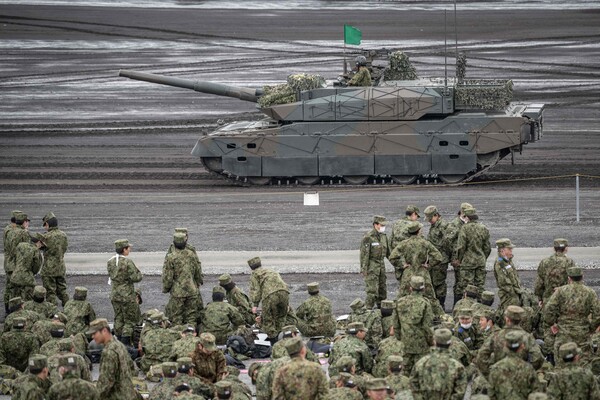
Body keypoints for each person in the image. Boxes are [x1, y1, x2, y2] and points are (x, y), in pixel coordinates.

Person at [390, 221, 444, 316]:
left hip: (408, 272)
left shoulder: (404, 243)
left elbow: (392, 257)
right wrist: (429, 265)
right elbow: (439, 257)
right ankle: (438, 316)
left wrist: (402, 265)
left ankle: (396, 316)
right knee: (430, 297)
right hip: (422, 272)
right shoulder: (425, 243)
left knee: (402, 296)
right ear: (418, 231)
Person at [544, 266, 600, 354]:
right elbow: (598, 312)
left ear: (569, 278)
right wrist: (591, 328)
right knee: (583, 361)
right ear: (582, 277)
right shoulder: (590, 292)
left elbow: (549, 308)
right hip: (583, 332)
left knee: (562, 360)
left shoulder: (560, 291)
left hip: (563, 332)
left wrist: (552, 324)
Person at [475, 305, 544, 377]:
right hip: (520, 377)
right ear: (520, 320)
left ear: (506, 319)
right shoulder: (527, 337)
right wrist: (526, 371)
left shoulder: (496, 335)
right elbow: (537, 357)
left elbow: (481, 355)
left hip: (500, 376)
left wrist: (489, 374)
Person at [87, 318, 137, 400]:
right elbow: (132, 369)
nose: (92, 337)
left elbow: (105, 383)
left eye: (94, 333)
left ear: (104, 331)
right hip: (128, 394)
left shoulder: (109, 351)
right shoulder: (119, 345)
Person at [410, 328, 467, 400]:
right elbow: (461, 390)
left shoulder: (421, 363)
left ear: (434, 342)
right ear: (450, 343)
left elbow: (413, 384)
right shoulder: (458, 367)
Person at [393, 275, 433, 375]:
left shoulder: (400, 302)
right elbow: (427, 327)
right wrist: (431, 342)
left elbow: (395, 324)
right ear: (423, 289)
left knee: (405, 371)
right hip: (421, 345)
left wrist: (400, 339)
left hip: (405, 343)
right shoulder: (425, 303)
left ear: (410, 288)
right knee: (421, 372)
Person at [452, 206, 491, 303]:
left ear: (467, 217)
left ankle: (467, 307)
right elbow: (487, 247)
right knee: (480, 286)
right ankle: (481, 306)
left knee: (467, 287)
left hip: (468, 262)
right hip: (480, 260)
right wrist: (483, 257)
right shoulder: (483, 228)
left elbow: (461, 247)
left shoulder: (464, 228)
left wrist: (459, 259)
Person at [107, 238, 142, 346]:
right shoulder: (128, 262)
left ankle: (117, 341)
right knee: (129, 320)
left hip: (114, 294)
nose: (129, 249)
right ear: (124, 249)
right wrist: (140, 274)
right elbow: (136, 277)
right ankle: (126, 344)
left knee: (118, 318)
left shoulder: (111, 261)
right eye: (128, 248)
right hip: (127, 295)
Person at [163, 232, 202, 325]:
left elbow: (168, 276)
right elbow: (197, 271)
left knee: (176, 317)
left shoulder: (171, 257)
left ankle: (179, 336)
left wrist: (166, 288)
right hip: (192, 289)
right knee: (191, 317)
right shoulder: (191, 254)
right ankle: (191, 336)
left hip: (178, 292)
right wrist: (197, 283)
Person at [248, 256, 290, 341]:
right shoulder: (271, 271)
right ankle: (282, 337)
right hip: (284, 292)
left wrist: (255, 305)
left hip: (270, 295)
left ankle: (273, 341)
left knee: (268, 320)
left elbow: (256, 290)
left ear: (251, 267)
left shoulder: (255, 274)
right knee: (281, 317)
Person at [487, 331, 538, 400]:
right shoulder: (528, 369)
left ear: (505, 345)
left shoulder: (496, 368)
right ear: (522, 346)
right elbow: (535, 394)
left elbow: (491, 394)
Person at [424, 205, 455, 308]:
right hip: (434, 260)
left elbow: (448, 242)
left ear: (436, 215)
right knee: (432, 283)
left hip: (440, 260)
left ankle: (441, 305)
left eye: (430, 218)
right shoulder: (435, 225)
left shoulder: (443, 226)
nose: (429, 221)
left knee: (439, 284)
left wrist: (445, 255)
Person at [39, 212, 69, 307]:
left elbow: (38, 247)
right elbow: (64, 249)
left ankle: (53, 315)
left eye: (45, 225)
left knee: (50, 293)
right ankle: (69, 310)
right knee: (62, 290)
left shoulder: (46, 237)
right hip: (60, 267)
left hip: (49, 269)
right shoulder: (63, 235)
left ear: (47, 224)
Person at [359, 215, 390, 309]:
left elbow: (389, 253)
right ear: (375, 225)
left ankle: (382, 310)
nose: (383, 227)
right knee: (372, 291)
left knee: (382, 290)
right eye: (381, 225)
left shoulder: (384, 237)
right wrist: (364, 269)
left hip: (381, 267)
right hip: (372, 267)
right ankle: (368, 310)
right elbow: (364, 255)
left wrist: (399, 264)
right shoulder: (368, 237)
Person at [3, 211, 31, 315]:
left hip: (8, 263)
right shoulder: (22, 232)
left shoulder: (9, 230)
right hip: (17, 265)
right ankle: (18, 311)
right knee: (20, 289)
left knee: (9, 288)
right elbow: (27, 249)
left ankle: (8, 310)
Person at [534, 238, 574, 304]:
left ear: (553, 248)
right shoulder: (570, 262)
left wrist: (540, 298)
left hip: (548, 299)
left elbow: (539, 283)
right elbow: (574, 282)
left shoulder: (545, 262)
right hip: (565, 299)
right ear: (566, 249)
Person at [493, 238, 524, 312]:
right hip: (509, 296)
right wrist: (516, 294)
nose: (511, 251)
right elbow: (504, 283)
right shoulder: (500, 263)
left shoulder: (507, 260)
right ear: (502, 251)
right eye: (509, 249)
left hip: (514, 294)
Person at [10, 235, 43, 301]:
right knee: (28, 300)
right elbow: (36, 268)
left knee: (14, 299)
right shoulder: (36, 250)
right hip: (27, 279)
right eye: (41, 244)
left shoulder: (20, 245)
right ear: (38, 242)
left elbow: (14, 257)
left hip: (15, 276)